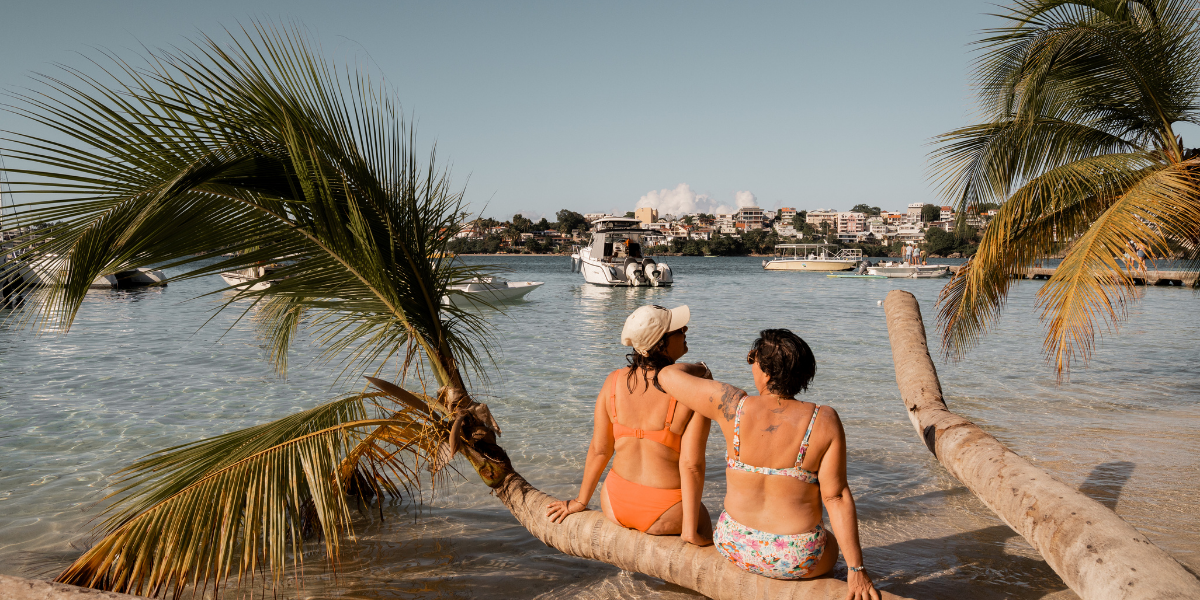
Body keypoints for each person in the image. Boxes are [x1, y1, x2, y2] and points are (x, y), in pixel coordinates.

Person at [658, 330, 881, 599]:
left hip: (734, 544)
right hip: (797, 558)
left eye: (752, 359)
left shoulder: (732, 406)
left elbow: (667, 375)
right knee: (830, 544)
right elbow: (836, 496)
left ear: (765, 372)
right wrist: (856, 569)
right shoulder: (824, 419)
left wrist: (702, 368)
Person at [546, 305, 714, 545]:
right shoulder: (692, 390)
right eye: (678, 328)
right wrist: (690, 530)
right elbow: (692, 465)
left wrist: (580, 502)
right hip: (668, 511)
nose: (685, 329)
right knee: (704, 520)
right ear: (661, 344)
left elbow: (599, 450)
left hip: (615, 503)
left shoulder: (612, 382)